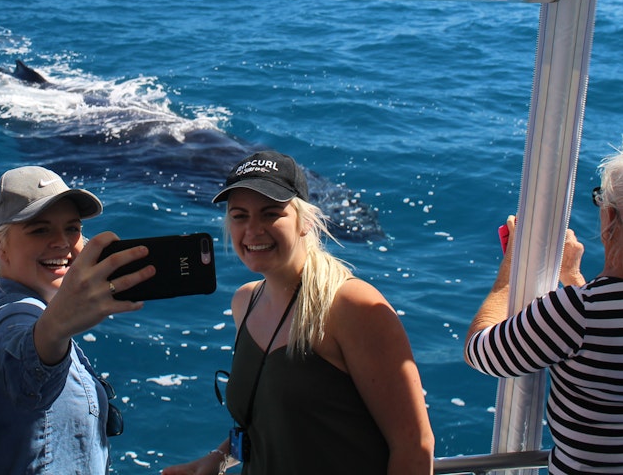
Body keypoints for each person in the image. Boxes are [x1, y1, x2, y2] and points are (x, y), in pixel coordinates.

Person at [164, 150, 434, 475]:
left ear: (305, 220)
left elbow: (414, 446)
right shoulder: (245, 303)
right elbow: (263, 422)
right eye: (239, 216)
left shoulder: (351, 305)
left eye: (270, 214)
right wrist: (218, 459)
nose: (253, 229)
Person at [465, 138, 623, 474]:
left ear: (610, 216)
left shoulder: (577, 312)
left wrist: (510, 271)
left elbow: (481, 352)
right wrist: (573, 276)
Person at [0, 165, 156, 475]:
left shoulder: (37, 309)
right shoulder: (10, 314)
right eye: (40, 229)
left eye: (72, 228)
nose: (62, 242)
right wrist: (57, 326)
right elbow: (27, 371)